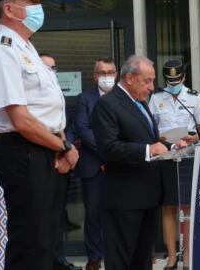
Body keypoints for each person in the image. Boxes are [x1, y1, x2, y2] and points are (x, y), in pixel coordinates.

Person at [0, 0, 79, 270]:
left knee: (46, 236)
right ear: (8, 9)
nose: (37, 8)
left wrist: (59, 143)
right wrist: (65, 145)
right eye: (30, 1)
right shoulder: (3, 48)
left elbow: (49, 109)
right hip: (23, 151)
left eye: (38, 2)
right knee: (30, 240)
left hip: (44, 149)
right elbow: (21, 119)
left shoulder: (26, 47)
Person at [91, 55, 184, 270]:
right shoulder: (108, 105)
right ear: (130, 78)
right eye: (147, 81)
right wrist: (148, 150)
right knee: (123, 260)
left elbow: (148, 140)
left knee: (142, 260)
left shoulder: (140, 103)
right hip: (124, 199)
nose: (152, 87)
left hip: (147, 197)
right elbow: (108, 148)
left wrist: (172, 147)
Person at [148, 59, 200, 270]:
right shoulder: (156, 98)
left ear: (183, 77)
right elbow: (150, 128)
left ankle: (189, 255)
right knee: (169, 207)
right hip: (165, 157)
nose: (174, 84)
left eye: (177, 80)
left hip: (189, 156)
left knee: (188, 208)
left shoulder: (193, 97)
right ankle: (172, 257)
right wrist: (162, 137)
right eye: (170, 81)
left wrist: (190, 137)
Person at [39, 53, 83, 270]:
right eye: (47, 67)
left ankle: (58, 259)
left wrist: (68, 152)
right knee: (40, 216)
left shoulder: (58, 95)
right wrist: (60, 151)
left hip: (62, 164)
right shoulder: (32, 95)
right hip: (43, 163)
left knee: (57, 215)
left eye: (54, 68)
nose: (51, 71)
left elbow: (67, 126)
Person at [75, 57, 117, 270]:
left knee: (119, 212)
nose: (106, 77)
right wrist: (108, 150)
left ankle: (117, 255)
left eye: (110, 72)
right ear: (94, 76)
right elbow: (82, 128)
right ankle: (94, 257)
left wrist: (117, 152)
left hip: (120, 166)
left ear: (116, 74)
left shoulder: (124, 98)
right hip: (93, 165)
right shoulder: (85, 98)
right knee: (93, 214)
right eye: (102, 73)